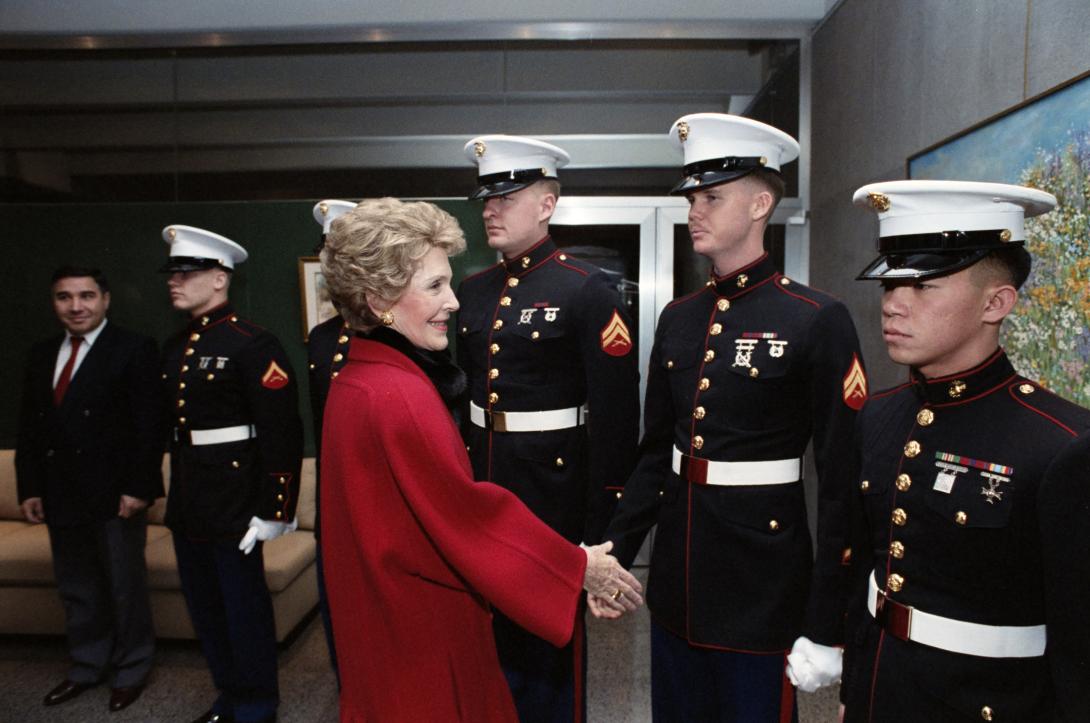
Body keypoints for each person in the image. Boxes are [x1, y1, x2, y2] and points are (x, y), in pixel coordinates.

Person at [317, 197, 643, 723]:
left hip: (379, 622)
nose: (453, 302)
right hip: (420, 633)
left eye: (448, 282)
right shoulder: (398, 396)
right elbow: (466, 516)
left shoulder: (359, 377)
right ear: (378, 299)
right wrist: (579, 567)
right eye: (433, 286)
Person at [601, 113, 866, 722]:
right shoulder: (679, 318)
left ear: (760, 203)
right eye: (692, 197)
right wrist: (614, 555)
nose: (695, 210)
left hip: (764, 588)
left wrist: (828, 622)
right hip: (678, 583)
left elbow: (842, 483)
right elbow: (655, 454)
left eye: (712, 197)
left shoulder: (814, 319)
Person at [841, 180, 1090, 722]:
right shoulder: (881, 416)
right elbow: (870, 570)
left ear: (996, 302)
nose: (894, 305)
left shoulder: (1062, 443)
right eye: (891, 286)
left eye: (924, 286)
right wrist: (854, 693)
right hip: (883, 691)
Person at [457, 135, 641, 722]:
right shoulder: (472, 292)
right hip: (484, 487)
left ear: (547, 203)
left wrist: (599, 536)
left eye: (507, 196)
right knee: (485, 646)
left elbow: (615, 423)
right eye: (486, 196)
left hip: (552, 498)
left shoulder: (585, 289)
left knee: (546, 656)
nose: (491, 208)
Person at [158, 225, 303, 723]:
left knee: (242, 610)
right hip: (191, 496)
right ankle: (230, 696)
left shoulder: (251, 342)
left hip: (237, 499)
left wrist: (276, 509)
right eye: (172, 273)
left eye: (187, 272)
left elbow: (281, 429)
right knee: (206, 610)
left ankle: (257, 704)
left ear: (219, 278)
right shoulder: (176, 347)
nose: (175, 282)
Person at [15, 266, 163, 713]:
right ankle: (86, 667)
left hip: (116, 495)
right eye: (64, 297)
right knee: (77, 588)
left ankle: (132, 670)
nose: (76, 306)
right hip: (61, 494)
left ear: (106, 299)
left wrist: (139, 488)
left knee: (123, 587)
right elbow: (30, 430)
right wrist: (30, 487)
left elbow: (149, 427)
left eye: (86, 296)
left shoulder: (133, 349)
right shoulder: (42, 354)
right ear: (54, 303)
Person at [306, 198, 357, 686]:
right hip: (334, 505)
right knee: (339, 623)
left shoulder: (399, 331)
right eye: (328, 252)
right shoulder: (321, 339)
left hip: (383, 509)